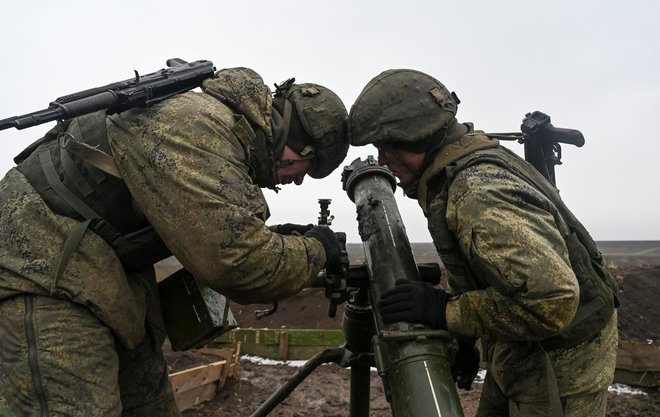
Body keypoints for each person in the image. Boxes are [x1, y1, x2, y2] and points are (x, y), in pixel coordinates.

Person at [0, 67, 348, 417]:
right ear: (292, 141)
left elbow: (221, 229)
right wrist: (318, 249)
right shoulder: (199, 126)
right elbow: (240, 264)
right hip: (42, 268)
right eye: (307, 167)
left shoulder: (222, 137)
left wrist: (277, 238)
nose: (300, 181)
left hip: (102, 272)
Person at [348, 69, 619, 417]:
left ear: (415, 136)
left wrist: (444, 312)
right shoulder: (458, 165)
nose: (383, 160)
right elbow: (490, 271)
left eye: (387, 146)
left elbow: (552, 301)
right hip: (521, 352)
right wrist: (466, 337)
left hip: (559, 372)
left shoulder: (479, 192)